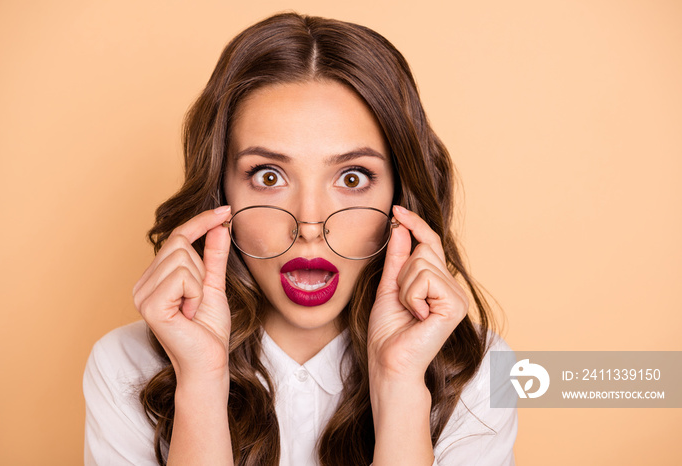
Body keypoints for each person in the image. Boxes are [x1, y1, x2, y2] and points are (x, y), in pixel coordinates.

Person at [83, 12, 517, 466]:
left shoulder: (481, 372)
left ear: (398, 195)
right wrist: (200, 384)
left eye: (352, 177)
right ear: (220, 192)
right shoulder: (124, 366)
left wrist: (401, 387)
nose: (308, 224)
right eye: (268, 176)